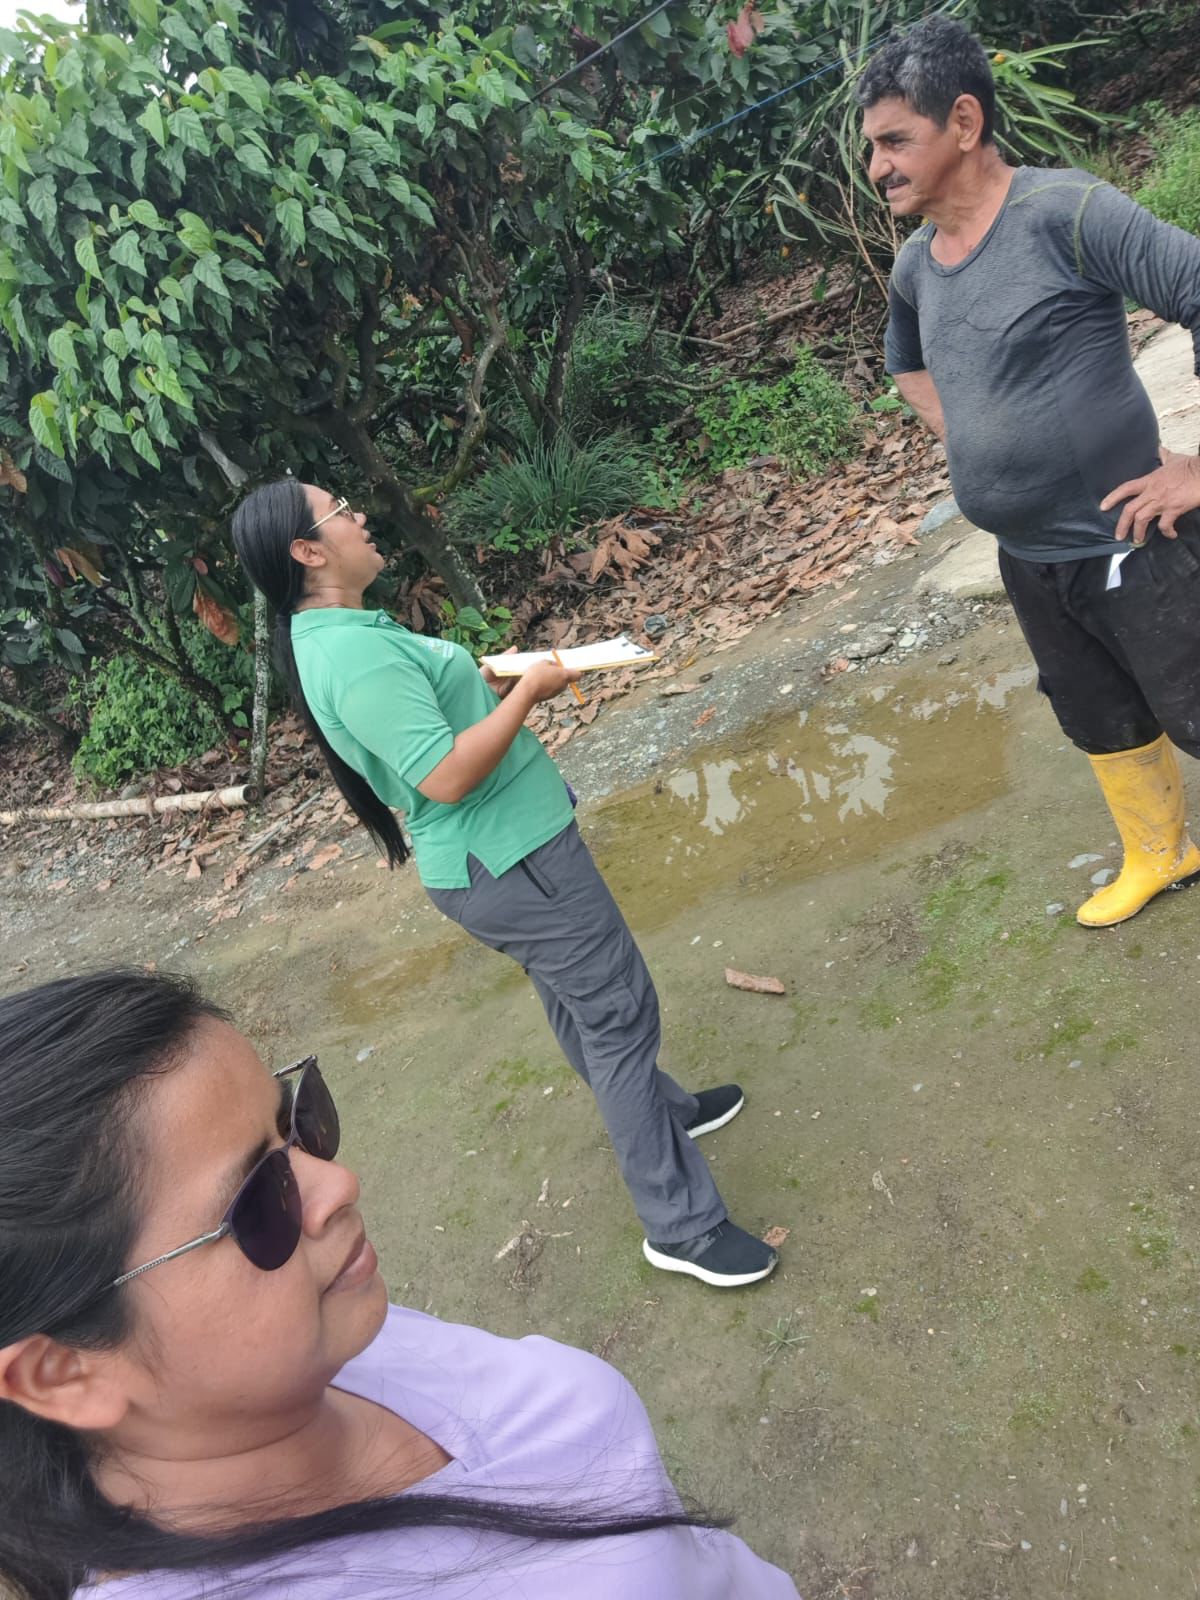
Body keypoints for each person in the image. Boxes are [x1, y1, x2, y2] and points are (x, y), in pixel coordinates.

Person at [0, 968, 801, 1600]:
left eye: (298, 1122)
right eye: (259, 1203)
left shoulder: (315, 1346)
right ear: (63, 1374)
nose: (337, 1183)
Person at [231, 480, 777, 1288]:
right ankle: (682, 1226)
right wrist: (528, 693)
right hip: (511, 859)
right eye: (339, 511)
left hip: (509, 855)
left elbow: (424, 729)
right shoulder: (350, 654)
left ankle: (664, 1114)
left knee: (582, 1002)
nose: (359, 516)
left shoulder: (340, 633)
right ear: (307, 551)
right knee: (617, 1011)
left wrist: (484, 681)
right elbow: (444, 776)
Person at [860, 15, 1200, 926]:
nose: (878, 166)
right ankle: (1161, 852)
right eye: (872, 148)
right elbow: (907, 367)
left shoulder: (1065, 214)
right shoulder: (916, 267)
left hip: (1134, 538)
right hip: (1030, 558)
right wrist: (974, 437)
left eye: (895, 140)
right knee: (1099, 713)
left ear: (965, 123)